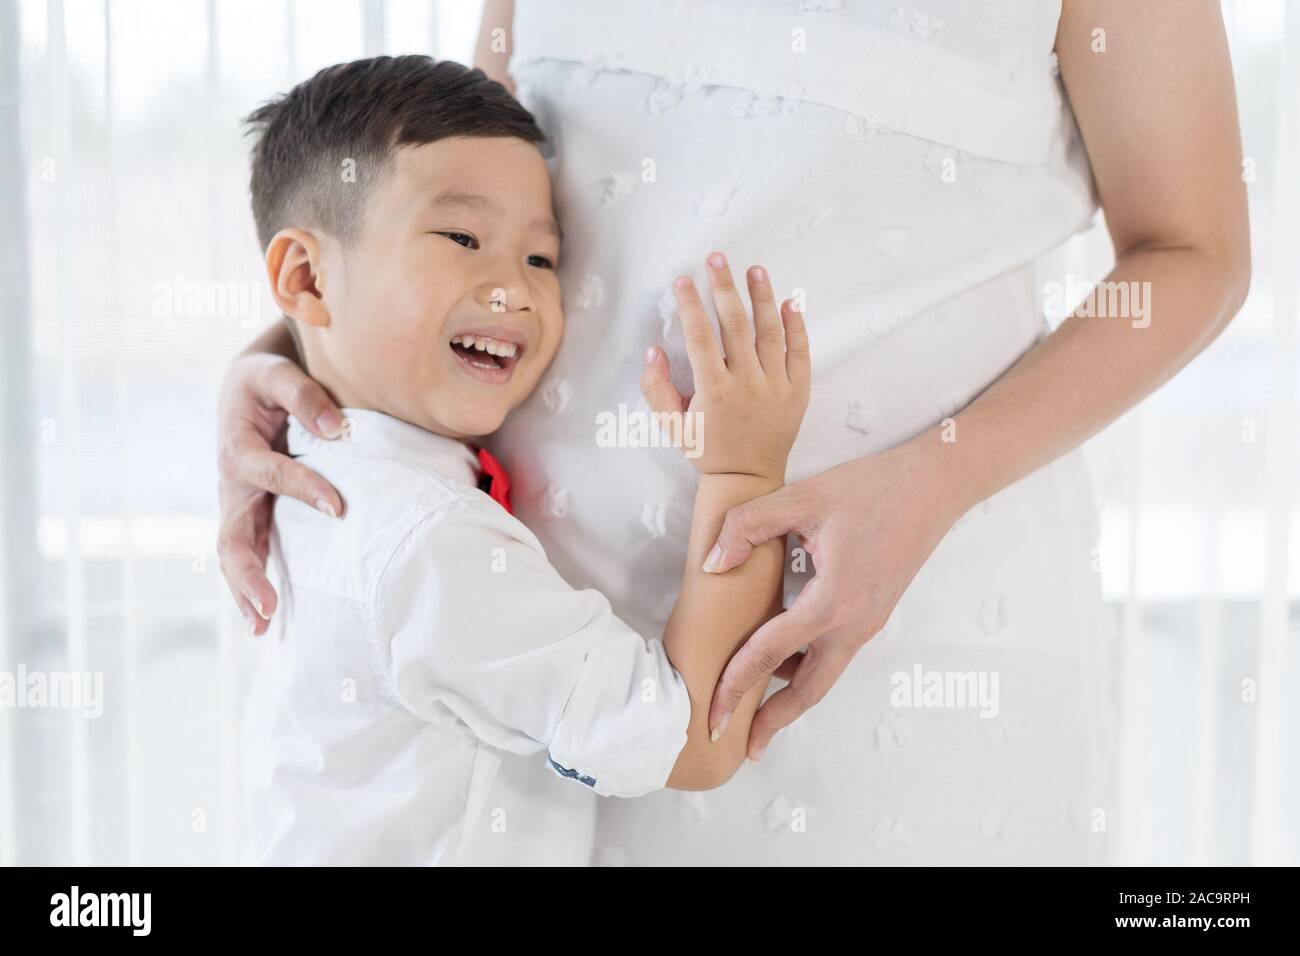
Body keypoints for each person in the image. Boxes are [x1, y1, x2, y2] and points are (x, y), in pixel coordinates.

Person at [220, 1, 1250, 864]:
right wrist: (292, 359)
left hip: (885, 634)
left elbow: (1192, 250)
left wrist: (936, 479)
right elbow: (470, 158)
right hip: (554, 649)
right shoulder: (408, 549)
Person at [234, 55, 810, 864]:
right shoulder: (430, 543)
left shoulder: (304, 467)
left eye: (542, 259)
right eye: (462, 237)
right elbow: (691, 745)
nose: (513, 290)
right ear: (306, 278)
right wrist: (744, 471)